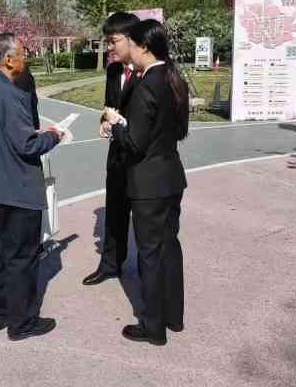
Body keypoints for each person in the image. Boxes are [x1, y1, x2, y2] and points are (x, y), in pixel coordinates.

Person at [0, 33, 65, 341]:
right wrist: (54, 136)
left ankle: (0, 313)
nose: (25, 57)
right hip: (15, 186)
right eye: (22, 53)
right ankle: (22, 322)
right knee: (22, 256)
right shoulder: (10, 94)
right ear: (8, 59)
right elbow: (27, 144)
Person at [105, 19, 189, 346]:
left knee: (150, 255)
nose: (128, 50)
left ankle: (153, 328)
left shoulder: (146, 85)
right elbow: (176, 130)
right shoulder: (173, 78)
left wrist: (116, 124)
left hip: (147, 184)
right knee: (170, 248)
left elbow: (135, 143)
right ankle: (173, 317)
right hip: (171, 176)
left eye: (131, 45)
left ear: (143, 47)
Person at [82, 12, 140, 286]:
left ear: (131, 39)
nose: (109, 47)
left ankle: (147, 269)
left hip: (141, 158)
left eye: (113, 41)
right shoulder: (114, 71)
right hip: (117, 155)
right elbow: (109, 106)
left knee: (144, 219)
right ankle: (110, 265)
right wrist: (104, 120)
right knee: (115, 213)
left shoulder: (149, 71)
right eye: (107, 41)